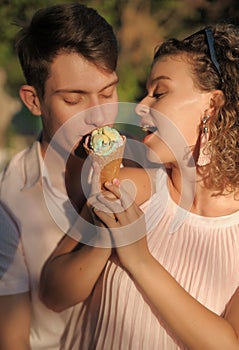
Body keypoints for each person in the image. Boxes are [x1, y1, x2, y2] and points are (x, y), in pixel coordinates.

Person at [40, 23, 239, 350]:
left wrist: (138, 257)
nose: (142, 106)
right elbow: (53, 294)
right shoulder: (131, 185)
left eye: (159, 93)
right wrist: (106, 236)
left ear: (212, 107)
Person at [0, 3, 121, 349]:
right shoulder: (9, 206)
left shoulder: (141, 167)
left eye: (108, 92)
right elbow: (14, 341)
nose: (99, 117)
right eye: (74, 99)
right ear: (34, 101)